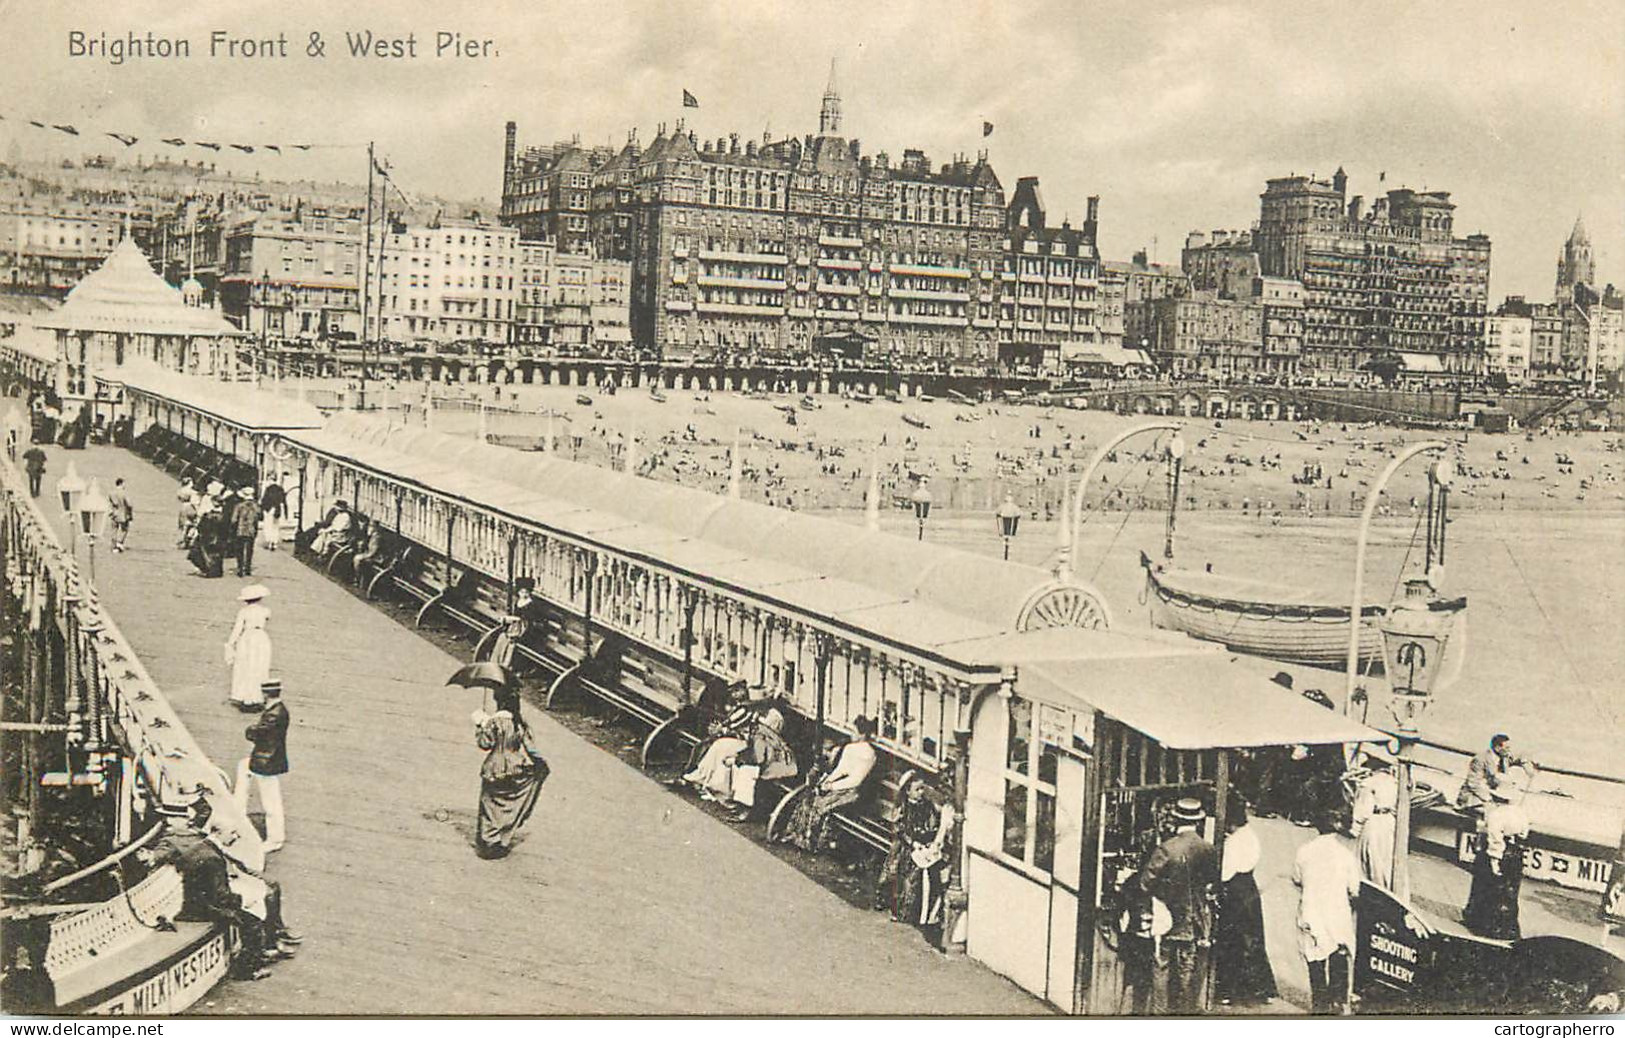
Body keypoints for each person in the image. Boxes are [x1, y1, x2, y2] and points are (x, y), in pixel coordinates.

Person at [1139, 797, 1217, 1014]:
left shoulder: (1166, 849)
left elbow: (1145, 884)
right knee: (1186, 973)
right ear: (1198, 821)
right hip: (1194, 923)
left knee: (1161, 968)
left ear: (1175, 819)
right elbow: (1210, 883)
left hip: (1166, 920)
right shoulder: (1208, 849)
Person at [1292, 810, 1361, 1015]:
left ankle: (1319, 1004)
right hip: (1336, 912)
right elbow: (1355, 888)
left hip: (1311, 910)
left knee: (1314, 956)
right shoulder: (1345, 855)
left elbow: (1297, 878)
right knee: (1339, 951)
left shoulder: (1304, 851)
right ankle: (1338, 1000)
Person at [1214, 793, 1277, 1007]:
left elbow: (1225, 873)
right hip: (1249, 891)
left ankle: (1229, 991)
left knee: (1232, 942)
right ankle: (1261, 988)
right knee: (1253, 940)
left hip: (1235, 893)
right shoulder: (1250, 835)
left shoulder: (1234, 842)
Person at [471, 684, 549, 859]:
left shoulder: (494, 722)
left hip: (494, 767)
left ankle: (487, 841)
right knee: (509, 802)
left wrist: (480, 726)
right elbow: (530, 747)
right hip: (516, 767)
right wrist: (540, 763)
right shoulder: (519, 723)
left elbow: (485, 744)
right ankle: (502, 838)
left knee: (489, 805)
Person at [783, 715, 878, 853]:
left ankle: (811, 842)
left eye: (854, 731)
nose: (852, 734)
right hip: (839, 785)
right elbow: (841, 769)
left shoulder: (869, 754)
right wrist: (827, 781)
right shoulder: (850, 748)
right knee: (809, 797)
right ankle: (796, 834)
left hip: (852, 791)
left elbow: (856, 780)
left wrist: (832, 786)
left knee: (820, 805)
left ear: (862, 734)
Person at [873, 773, 951, 928]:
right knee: (897, 875)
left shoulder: (927, 805)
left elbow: (933, 823)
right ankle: (892, 905)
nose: (921, 792)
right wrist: (912, 842)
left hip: (922, 845)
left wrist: (929, 838)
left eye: (922, 789)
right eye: (917, 789)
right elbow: (899, 828)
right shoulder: (904, 807)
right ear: (908, 791)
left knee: (918, 879)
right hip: (906, 846)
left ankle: (914, 912)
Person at [1463, 767, 1531, 940]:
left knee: (1488, 887)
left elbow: (1495, 839)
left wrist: (1494, 860)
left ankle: (1485, 926)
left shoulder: (1496, 814)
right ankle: (1509, 928)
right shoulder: (1520, 812)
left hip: (1500, 852)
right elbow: (1524, 833)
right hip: (1516, 853)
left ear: (1496, 796)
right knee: (1510, 892)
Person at [235, 679, 290, 852]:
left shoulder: (273, 715)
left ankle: (275, 839)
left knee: (271, 801)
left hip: (266, 761)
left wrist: (250, 730)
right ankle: (238, 812)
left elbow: (257, 733)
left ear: (265, 694)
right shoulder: (278, 710)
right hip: (267, 758)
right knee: (243, 768)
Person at [1457, 734, 1537, 816]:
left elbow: (1522, 756)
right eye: (1507, 748)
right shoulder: (1480, 759)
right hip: (1475, 797)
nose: (1509, 751)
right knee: (1494, 815)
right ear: (1498, 747)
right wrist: (1488, 799)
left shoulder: (1504, 757)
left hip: (1493, 794)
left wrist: (1527, 767)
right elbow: (1473, 784)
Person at [1350, 756, 1398, 890]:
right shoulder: (1395, 783)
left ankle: (1368, 887)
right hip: (1389, 821)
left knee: (1370, 856)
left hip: (1374, 820)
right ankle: (1387, 888)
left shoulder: (1368, 783)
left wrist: (1356, 827)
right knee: (1386, 858)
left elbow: (1363, 808)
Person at [224, 584, 272, 710]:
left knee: (245, 665)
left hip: (247, 637)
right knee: (259, 665)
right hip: (261, 637)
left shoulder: (244, 612)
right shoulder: (265, 611)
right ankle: (257, 696)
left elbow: (237, 629)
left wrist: (231, 643)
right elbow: (267, 618)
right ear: (260, 598)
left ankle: (243, 695)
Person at [230, 488, 262, 577]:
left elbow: (234, 519)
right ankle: (248, 568)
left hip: (240, 530)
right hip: (251, 530)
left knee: (239, 550)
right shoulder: (256, 507)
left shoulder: (239, 506)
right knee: (249, 550)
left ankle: (240, 568)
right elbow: (260, 517)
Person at [259, 477, 287, 551]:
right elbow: (283, 501)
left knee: (268, 527)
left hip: (268, 510)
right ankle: (274, 542)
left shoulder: (268, 489)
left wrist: (262, 510)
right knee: (275, 527)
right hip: (277, 510)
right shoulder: (280, 489)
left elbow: (264, 500)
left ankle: (269, 542)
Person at [107, 477, 134, 553]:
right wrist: (130, 514)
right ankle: (120, 543)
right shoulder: (124, 493)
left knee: (114, 530)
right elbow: (129, 504)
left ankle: (113, 546)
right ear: (121, 484)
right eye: (124, 484)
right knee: (125, 530)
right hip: (123, 514)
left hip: (114, 514)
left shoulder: (111, 493)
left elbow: (110, 503)